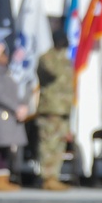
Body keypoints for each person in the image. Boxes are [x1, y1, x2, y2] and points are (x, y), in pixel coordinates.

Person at [0, 32, 28, 191]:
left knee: (6, 146)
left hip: (9, 115)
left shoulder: (5, 71)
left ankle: (4, 178)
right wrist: (16, 108)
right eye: (2, 53)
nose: (6, 57)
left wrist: (22, 105)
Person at [35, 29, 74, 191]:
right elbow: (52, 72)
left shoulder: (66, 60)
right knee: (48, 144)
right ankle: (47, 177)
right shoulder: (47, 58)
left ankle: (55, 176)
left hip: (63, 109)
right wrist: (58, 55)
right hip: (50, 108)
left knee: (59, 144)